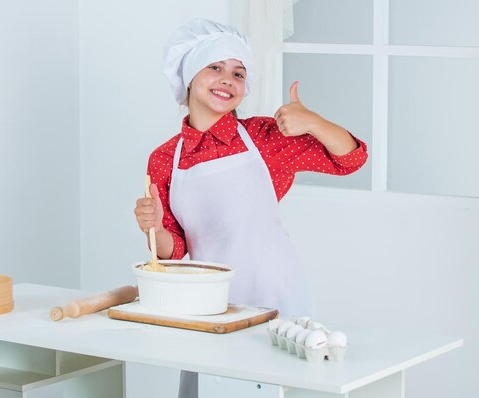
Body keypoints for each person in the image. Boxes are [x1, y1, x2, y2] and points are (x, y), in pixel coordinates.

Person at [133, 18, 368, 397]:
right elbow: (174, 250)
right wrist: (155, 228)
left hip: (276, 295)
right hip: (209, 304)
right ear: (189, 76)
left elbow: (351, 159)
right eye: (215, 67)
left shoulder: (265, 137)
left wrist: (313, 122)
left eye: (239, 73)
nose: (228, 79)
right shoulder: (163, 159)